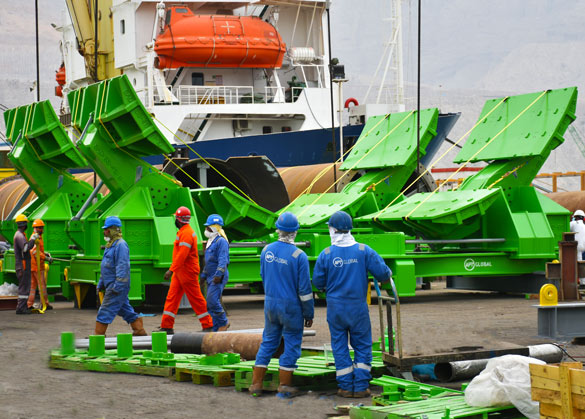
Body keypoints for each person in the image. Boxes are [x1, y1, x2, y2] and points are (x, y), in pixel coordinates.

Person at [312, 211, 391, 398]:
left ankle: (346, 387)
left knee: (339, 346)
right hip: (358, 308)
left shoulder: (326, 254)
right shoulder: (364, 251)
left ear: (332, 230)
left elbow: (318, 282)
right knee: (363, 345)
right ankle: (361, 387)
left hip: (336, 308)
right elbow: (383, 274)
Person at [249, 212, 314, 397]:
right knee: (292, 343)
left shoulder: (266, 250)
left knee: (268, 342)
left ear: (278, 230)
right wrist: (309, 313)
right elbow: (304, 290)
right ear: (295, 232)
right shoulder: (299, 255)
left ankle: (256, 384)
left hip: (270, 303)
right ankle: (284, 385)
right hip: (291, 307)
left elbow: (263, 275)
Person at [157, 206, 213, 334]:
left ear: (179, 220)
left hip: (187, 271)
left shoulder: (186, 233)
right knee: (172, 298)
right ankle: (166, 326)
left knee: (196, 298)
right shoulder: (184, 232)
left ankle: (208, 325)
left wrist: (171, 270)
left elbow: (182, 254)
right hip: (181, 271)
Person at [95, 216, 146, 336]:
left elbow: (123, 267)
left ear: (113, 230)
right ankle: (139, 330)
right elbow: (105, 266)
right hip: (111, 285)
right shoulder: (110, 245)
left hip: (116, 285)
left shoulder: (121, 245)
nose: (104, 232)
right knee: (125, 309)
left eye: (106, 229)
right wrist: (101, 283)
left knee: (105, 310)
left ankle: (98, 336)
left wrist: (118, 287)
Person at [201, 214, 230, 332]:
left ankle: (223, 322)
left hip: (218, 277)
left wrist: (218, 275)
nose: (206, 229)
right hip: (210, 276)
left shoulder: (221, 242)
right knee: (210, 303)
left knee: (212, 300)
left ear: (214, 228)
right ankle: (216, 326)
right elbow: (208, 261)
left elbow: (223, 260)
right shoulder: (211, 242)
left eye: (208, 227)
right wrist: (203, 276)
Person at [27, 219, 53, 310]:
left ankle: (29, 304)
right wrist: (45, 258)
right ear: (35, 228)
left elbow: (38, 250)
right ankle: (45, 304)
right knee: (42, 285)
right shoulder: (35, 238)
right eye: (40, 228)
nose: (41, 229)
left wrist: (45, 254)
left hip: (33, 266)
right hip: (37, 266)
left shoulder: (37, 237)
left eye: (42, 228)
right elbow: (35, 252)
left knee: (33, 286)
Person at [13, 214, 36, 315]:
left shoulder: (20, 235)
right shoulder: (19, 236)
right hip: (22, 266)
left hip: (23, 265)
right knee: (24, 287)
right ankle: (21, 308)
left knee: (25, 286)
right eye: (26, 223)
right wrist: (33, 240)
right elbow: (25, 248)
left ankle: (23, 306)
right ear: (23, 224)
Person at [570, 209, 585, 285]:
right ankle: (582, 282)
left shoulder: (573, 223)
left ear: (575, 217)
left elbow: (566, 229)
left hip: (576, 247)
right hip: (583, 247)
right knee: (581, 262)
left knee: (576, 263)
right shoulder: (584, 226)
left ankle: (580, 282)